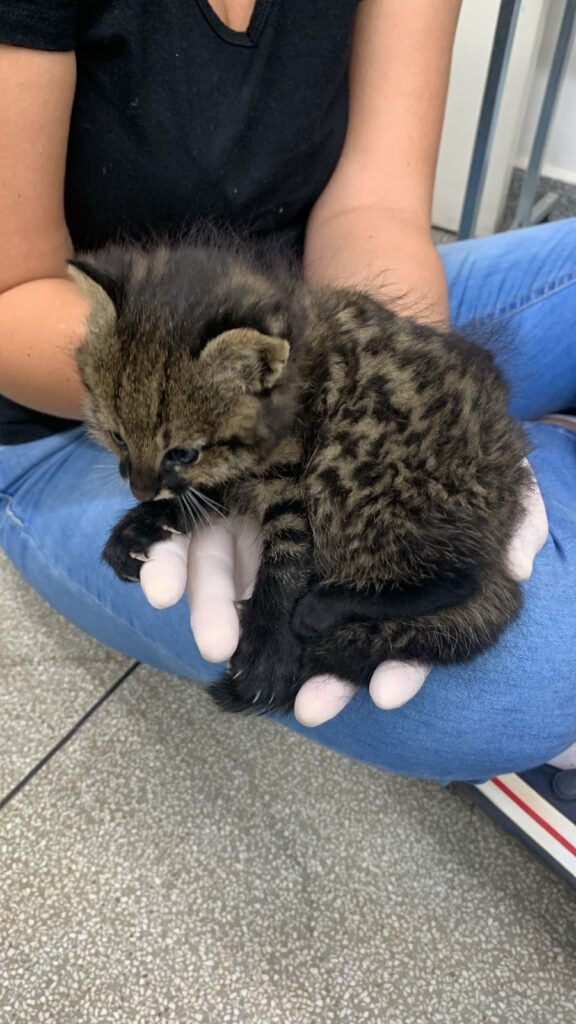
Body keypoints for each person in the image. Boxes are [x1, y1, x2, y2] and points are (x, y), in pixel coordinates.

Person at [0, 1, 575, 793]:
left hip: (306, 326)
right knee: (531, 679)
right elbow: (14, 288)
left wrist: (410, 403)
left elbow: (375, 205)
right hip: (64, 415)